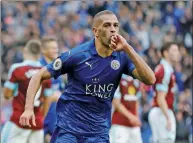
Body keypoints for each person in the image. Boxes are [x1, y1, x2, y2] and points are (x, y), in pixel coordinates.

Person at [19, 10, 155, 143]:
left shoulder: (122, 57)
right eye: (107, 25)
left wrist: (128, 48)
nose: (113, 29)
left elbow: (150, 79)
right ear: (96, 31)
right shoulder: (78, 55)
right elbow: (39, 75)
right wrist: (28, 108)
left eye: (115, 25)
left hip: (98, 132)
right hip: (69, 129)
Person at [1, 39, 52, 143]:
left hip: (19, 120)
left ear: (25, 50)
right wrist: (41, 117)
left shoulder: (17, 69)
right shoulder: (46, 71)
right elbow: (48, 99)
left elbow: (7, 95)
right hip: (37, 122)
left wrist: (14, 90)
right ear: (40, 53)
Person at [148, 42, 180, 143]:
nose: (177, 53)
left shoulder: (165, 69)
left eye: (177, 50)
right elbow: (160, 98)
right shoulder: (164, 70)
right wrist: (168, 117)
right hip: (161, 111)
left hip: (160, 111)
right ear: (165, 53)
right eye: (174, 50)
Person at [40, 36, 65, 143]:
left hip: (54, 120)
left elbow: (60, 92)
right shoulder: (39, 69)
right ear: (44, 50)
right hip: (42, 119)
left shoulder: (56, 68)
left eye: (56, 48)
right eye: (52, 48)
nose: (56, 50)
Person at [110, 74, 143, 143]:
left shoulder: (136, 80)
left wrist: (136, 118)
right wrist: (132, 117)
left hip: (134, 126)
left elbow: (136, 101)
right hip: (119, 125)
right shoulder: (116, 78)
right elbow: (116, 102)